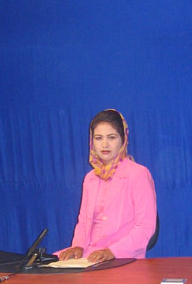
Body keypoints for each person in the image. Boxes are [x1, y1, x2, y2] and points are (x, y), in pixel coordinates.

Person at [59, 109, 157, 262]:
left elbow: (145, 227)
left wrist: (112, 251)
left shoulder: (138, 174)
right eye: (98, 138)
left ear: (123, 139)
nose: (104, 144)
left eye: (112, 137)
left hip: (124, 257)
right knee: (44, 267)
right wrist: (78, 246)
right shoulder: (90, 179)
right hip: (89, 256)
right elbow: (83, 222)